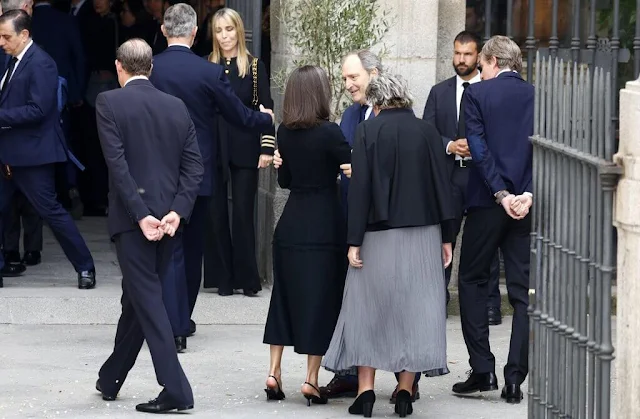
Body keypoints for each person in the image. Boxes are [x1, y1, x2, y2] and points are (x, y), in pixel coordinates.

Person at [273, 49, 421, 403]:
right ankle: (351, 376)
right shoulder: (349, 118)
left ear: (374, 73)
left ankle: (405, 380)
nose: (348, 84)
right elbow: (339, 162)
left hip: (385, 222)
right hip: (343, 221)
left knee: (393, 302)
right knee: (348, 299)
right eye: (342, 78)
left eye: (353, 76)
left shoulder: (402, 116)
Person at [322, 74, 455, 418]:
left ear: (377, 104)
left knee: (367, 309)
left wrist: (353, 241)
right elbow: (443, 185)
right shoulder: (427, 132)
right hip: (424, 233)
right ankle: (406, 391)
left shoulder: (368, 131)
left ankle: (366, 392)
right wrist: (447, 236)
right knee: (415, 311)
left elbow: (360, 189)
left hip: (377, 235)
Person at [149, 3, 274, 350]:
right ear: (194, 33)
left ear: (163, 31)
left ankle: (165, 321)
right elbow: (240, 115)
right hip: (198, 171)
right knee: (190, 250)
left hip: (157, 171)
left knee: (163, 249)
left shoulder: (150, 68)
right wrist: (266, 120)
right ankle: (181, 322)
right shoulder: (207, 72)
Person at [95, 38, 203, 413]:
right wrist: (177, 211)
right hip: (168, 223)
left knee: (148, 302)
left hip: (134, 222)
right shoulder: (176, 106)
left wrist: (141, 215)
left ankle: (176, 390)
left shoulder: (108, 102)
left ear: (119, 67)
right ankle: (111, 376)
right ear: (151, 68)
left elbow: (117, 165)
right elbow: (194, 167)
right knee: (136, 301)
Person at [262, 65, 351, 406]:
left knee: (283, 299)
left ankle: (274, 371)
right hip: (324, 226)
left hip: (291, 224)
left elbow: (284, 183)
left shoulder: (283, 131)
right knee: (319, 301)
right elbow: (350, 170)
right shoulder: (331, 132)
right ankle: (311, 380)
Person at [451, 35, 533, 404]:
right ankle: (514, 379)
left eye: (481, 65)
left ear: (494, 61)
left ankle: (482, 369)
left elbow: (479, 150)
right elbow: (542, 149)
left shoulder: (476, 95)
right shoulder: (536, 94)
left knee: (470, 278)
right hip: (525, 206)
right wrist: (525, 194)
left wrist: (501, 193)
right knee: (522, 293)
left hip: (488, 202)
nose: (479, 71)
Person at [0, 9, 95, 289]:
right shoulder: (13, 60)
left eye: (6, 37)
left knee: (52, 212)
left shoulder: (41, 63)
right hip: (8, 152)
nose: (1, 42)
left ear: (24, 35)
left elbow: (39, 109)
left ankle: (85, 266)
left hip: (32, 155)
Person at [422, 30, 503, 325]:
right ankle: (437, 300)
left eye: (467, 54)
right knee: (444, 238)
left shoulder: (490, 90)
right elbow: (427, 133)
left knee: (488, 242)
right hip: (450, 176)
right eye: (457, 53)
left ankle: (492, 304)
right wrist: (450, 144)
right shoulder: (439, 91)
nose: (461, 59)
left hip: (482, 178)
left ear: (479, 56)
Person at [203, 7, 275, 297]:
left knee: (244, 214)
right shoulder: (207, 65)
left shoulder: (255, 66)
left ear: (239, 30)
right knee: (215, 213)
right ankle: (223, 279)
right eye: (219, 31)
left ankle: (247, 278)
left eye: (229, 29)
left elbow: (267, 108)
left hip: (246, 145)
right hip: (214, 147)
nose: (224, 36)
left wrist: (266, 147)